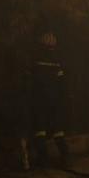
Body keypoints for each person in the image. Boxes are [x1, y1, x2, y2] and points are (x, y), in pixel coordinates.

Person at [30, 30, 70, 168]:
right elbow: (62, 83)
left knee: (40, 130)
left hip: (39, 99)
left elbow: (29, 79)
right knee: (58, 130)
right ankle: (65, 159)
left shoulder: (36, 60)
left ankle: (43, 160)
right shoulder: (57, 61)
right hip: (55, 101)